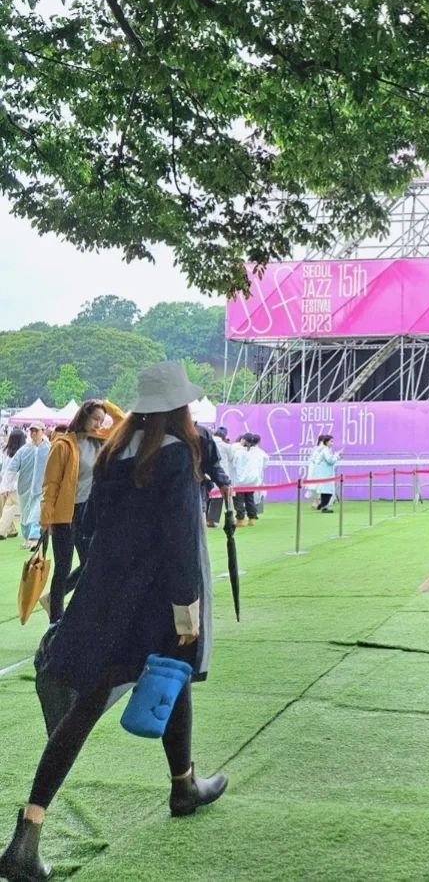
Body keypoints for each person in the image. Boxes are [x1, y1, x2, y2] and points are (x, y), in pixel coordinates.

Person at [0, 361, 227, 882]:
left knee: (139, 689)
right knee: (156, 677)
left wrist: (93, 583)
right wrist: (186, 610)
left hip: (107, 599)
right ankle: (27, 840)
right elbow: (180, 542)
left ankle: (182, 784)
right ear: (178, 408)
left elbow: (91, 530)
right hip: (155, 602)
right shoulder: (176, 455)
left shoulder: (112, 454)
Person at [40, 399, 125, 621]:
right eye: (95, 418)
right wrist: (46, 518)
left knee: (90, 563)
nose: (98, 424)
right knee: (63, 566)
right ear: (83, 416)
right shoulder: (63, 445)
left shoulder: (100, 439)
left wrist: (105, 403)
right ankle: (55, 618)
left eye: (101, 420)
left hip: (89, 512)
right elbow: (50, 484)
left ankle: (55, 601)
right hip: (65, 514)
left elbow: (122, 422)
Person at [230, 432, 267, 526]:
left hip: (240, 481)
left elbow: (233, 464)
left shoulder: (239, 452)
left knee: (239, 500)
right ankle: (251, 519)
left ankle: (240, 520)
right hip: (252, 480)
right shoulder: (258, 452)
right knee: (250, 500)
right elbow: (265, 461)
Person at [0, 427, 26, 539]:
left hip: (4, 483)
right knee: (9, 508)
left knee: (4, 508)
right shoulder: (22, 453)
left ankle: (11, 530)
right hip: (15, 486)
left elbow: (3, 470)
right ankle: (2, 530)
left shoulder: (5, 452)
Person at [307, 434, 342, 512]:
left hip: (325, 473)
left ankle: (322, 505)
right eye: (331, 441)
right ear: (326, 442)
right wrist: (337, 456)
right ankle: (324, 507)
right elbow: (330, 460)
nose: (332, 443)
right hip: (324, 474)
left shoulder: (325, 450)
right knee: (327, 491)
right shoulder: (325, 450)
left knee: (326, 491)